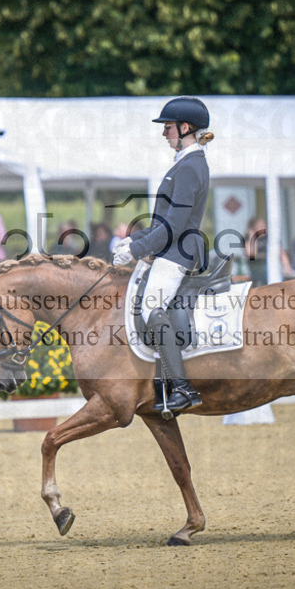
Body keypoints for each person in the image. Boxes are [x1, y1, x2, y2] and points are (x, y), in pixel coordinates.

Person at [112, 96, 212, 413]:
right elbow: (161, 223)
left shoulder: (190, 167)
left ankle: (181, 388)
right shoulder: (185, 164)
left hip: (177, 253)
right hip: (170, 248)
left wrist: (137, 250)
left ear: (185, 127)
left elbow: (174, 225)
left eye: (168, 127)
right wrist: (131, 241)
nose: (164, 133)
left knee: (151, 309)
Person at [234, 217, 295, 286]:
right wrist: (252, 237)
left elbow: (281, 253)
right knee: (270, 272)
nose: (263, 227)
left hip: (273, 264)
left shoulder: (270, 237)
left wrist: (287, 267)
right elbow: (252, 254)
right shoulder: (247, 238)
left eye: (264, 225)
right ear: (253, 227)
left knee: (291, 276)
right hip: (257, 265)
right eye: (260, 225)